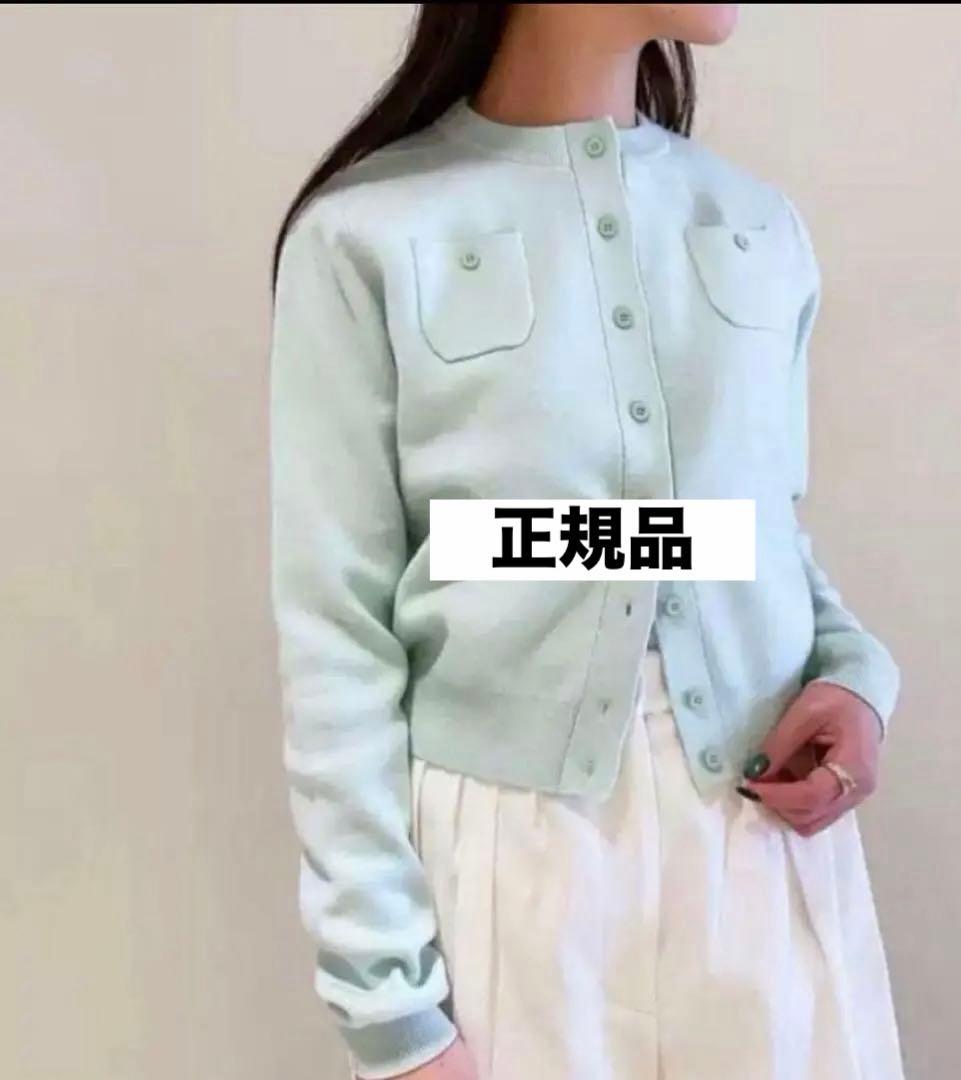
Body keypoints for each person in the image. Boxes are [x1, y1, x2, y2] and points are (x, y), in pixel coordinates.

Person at [268, 5, 905, 1079]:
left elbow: (753, 539)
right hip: (514, 866)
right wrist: (389, 1005)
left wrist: (856, 677)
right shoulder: (365, 236)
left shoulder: (758, 227)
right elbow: (337, 630)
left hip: (763, 851)